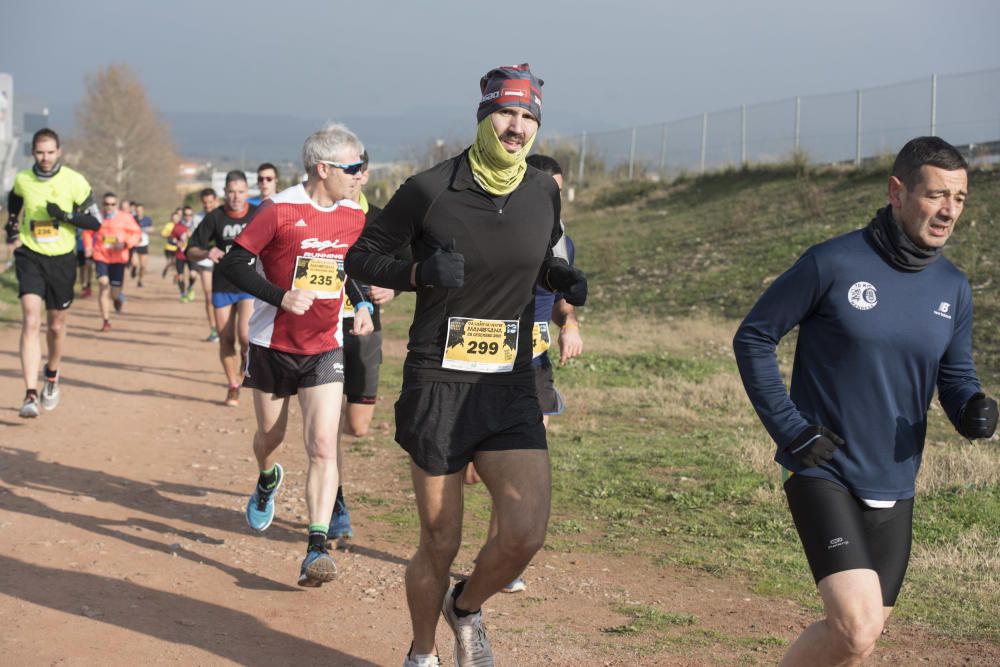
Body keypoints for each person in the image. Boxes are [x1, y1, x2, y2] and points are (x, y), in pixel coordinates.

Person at [345, 64, 587, 667]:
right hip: (440, 379)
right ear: (484, 117)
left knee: (525, 533)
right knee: (440, 537)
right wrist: (418, 274)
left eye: (529, 116)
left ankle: (467, 606)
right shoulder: (430, 189)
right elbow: (362, 257)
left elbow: (537, 261)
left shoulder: (541, 191)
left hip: (507, 379)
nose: (518, 125)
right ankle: (422, 651)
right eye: (508, 112)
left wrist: (559, 279)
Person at [733, 136, 997, 667]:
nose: (949, 211)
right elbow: (755, 337)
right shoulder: (833, 262)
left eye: (960, 199)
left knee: (858, 641)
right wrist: (790, 427)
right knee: (855, 628)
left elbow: (955, 374)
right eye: (936, 195)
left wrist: (971, 407)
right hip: (822, 468)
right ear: (897, 192)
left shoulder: (953, 287)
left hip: (896, 481)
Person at [219, 122, 373, 588]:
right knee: (270, 436)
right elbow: (234, 262)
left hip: (325, 345)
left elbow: (350, 266)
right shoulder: (280, 209)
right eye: (353, 167)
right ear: (323, 168)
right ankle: (267, 478)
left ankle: (316, 548)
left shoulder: (352, 214)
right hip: (272, 345)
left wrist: (362, 301)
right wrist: (280, 295)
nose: (360, 175)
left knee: (324, 446)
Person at [463, 153, 584, 595]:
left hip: (534, 364)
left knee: (526, 458)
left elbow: (559, 297)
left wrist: (569, 324)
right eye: (541, 189)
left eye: (556, 191)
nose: (549, 199)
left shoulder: (562, 241)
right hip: (485, 358)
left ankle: (500, 554)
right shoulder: (494, 229)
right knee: (473, 468)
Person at [328, 150, 404, 545]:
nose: (352, 176)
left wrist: (392, 286)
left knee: (356, 427)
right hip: (323, 326)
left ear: (367, 174)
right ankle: (334, 500)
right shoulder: (321, 214)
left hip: (364, 328)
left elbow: (406, 265)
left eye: (358, 169)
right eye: (346, 169)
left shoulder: (380, 219)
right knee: (325, 427)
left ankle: (325, 452)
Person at [5, 128, 101, 417]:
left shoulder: (75, 181)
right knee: (31, 319)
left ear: (59, 152)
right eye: (39, 152)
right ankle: (30, 394)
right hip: (30, 255)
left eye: (50, 152)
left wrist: (65, 216)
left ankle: (52, 372)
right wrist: (11, 224)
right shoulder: (24, 179)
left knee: (56, 326)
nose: (45, 158)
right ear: (32, 153)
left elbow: (95, 222)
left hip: (62, 259)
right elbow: (14, 201)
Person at [185, 170, 258, 406]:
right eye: (231, 192)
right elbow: (191, 249)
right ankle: (233, 385)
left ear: (247, 192)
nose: (236, 197)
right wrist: (208, 252)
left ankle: (245, 368)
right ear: (224, 193)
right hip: (223, 284)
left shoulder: (258, 215)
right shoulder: (215, 217)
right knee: (226, 339)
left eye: (240, 192)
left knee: (245, 337)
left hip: (249, 283)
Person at [85, 192, 141, 332]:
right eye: (106, 204)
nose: (109, 207)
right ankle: (106, 320)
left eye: (112, 204)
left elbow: (136, 233)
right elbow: (87, 232)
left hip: (118, 258)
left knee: (115, 292)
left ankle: (117, 300)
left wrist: (126, 244)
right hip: (101, 256)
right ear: (102, 204)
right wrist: (88, 247)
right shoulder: (97, 218)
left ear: (116, 204)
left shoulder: (125, 218)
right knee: (103, 284)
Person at [191, 188, 220, 341]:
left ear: (216, 200)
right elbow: (195, 242)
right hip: (205, 260)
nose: (208, 206)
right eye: (205, 203)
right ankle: (214, 330)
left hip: (223, 262)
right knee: (209, 296)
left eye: (210, 202)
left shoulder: (223, 215)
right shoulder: (198, 218)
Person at [130, 201, 153, 287]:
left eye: (140, 210)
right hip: (134, 244)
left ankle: (139, 280)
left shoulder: (147, 219)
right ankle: (133, 269)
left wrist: (145, 229)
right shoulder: (132, 218)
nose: (139, 211)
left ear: (143, 210)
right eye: (137, 210)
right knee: (135, 263)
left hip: (144, 244)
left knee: (143, 266)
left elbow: (152, 229)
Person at [161, 208, 181, 279]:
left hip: (177, 248)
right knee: (169, 262)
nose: (175, 219)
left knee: (175, 263)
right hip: (169, 247)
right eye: (174, 218)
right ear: (172, 218)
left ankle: (175, 276)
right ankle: (165, 269)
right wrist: (170, 234)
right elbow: (162, 234)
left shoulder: (180, 226)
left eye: (177, 218)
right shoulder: (168, 225)